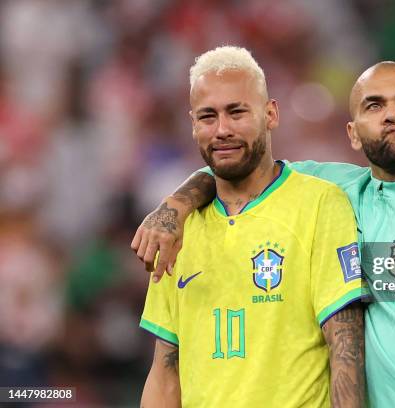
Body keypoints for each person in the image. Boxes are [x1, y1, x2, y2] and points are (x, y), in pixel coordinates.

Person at [133, 60, 395, 407]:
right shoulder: (338, 192)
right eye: (375, 105)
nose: (392, 115)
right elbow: (232, 167)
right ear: (353, 134)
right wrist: (175, 207)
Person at [139, 46, 365, 408]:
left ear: (270, 113)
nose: (222, 129)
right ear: (193, 124)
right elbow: (166, 367)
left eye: (237, 112)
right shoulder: (175, 230)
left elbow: (346, 348)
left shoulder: (320, 203)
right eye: (208, 117)